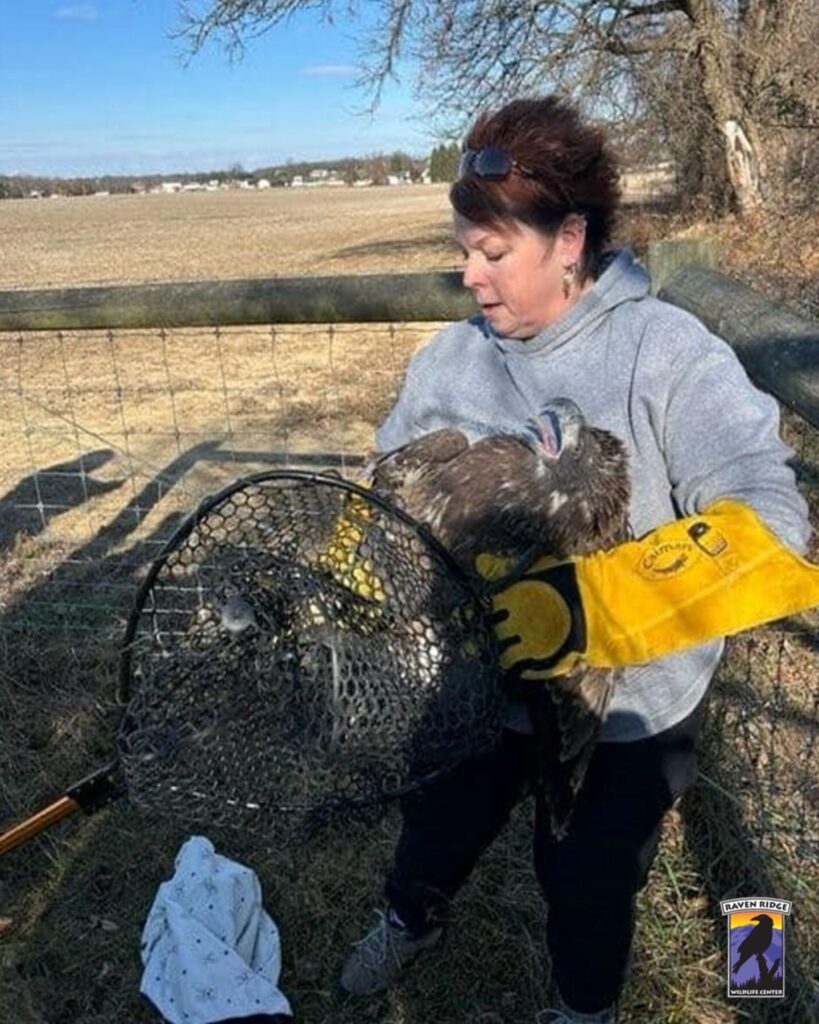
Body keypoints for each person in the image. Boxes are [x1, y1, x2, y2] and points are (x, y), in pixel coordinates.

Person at [339, 95, 812, 1023]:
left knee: (588, 877)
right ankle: (409, 918)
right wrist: (360, 561)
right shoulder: (447, 360)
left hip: (628, 704)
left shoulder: (665, 353)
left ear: (568, 239)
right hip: (476, 683)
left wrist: (596, 609)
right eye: (462, 251)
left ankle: (583, 1008)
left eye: (492, 252)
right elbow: (385, 482)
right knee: (435, 825)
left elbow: (769, 516)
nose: (469, 277)